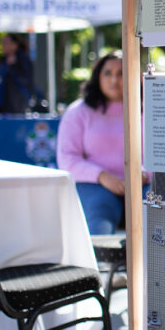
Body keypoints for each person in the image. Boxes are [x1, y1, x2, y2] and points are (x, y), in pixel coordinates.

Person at [58, 52, 136, 234]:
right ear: (97, 77)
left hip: (141, 183)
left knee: (156, 210)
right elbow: (67, 159)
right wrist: (102, 176)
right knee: (101, 207)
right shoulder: (78, 112)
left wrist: (143, 175)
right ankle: (98, 252)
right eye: (108, 73)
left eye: (121, 73)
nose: (114, 79)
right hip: (94, 183)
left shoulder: (149, 108)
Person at [0, 34, 37, 113]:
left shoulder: (22, 59)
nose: (2, 46)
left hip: (17, 106)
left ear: (15, 45)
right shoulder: (3, 60)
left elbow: (25, 81)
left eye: (5, 43)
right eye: (2, 43)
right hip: (2, 106)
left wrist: (11, 68)